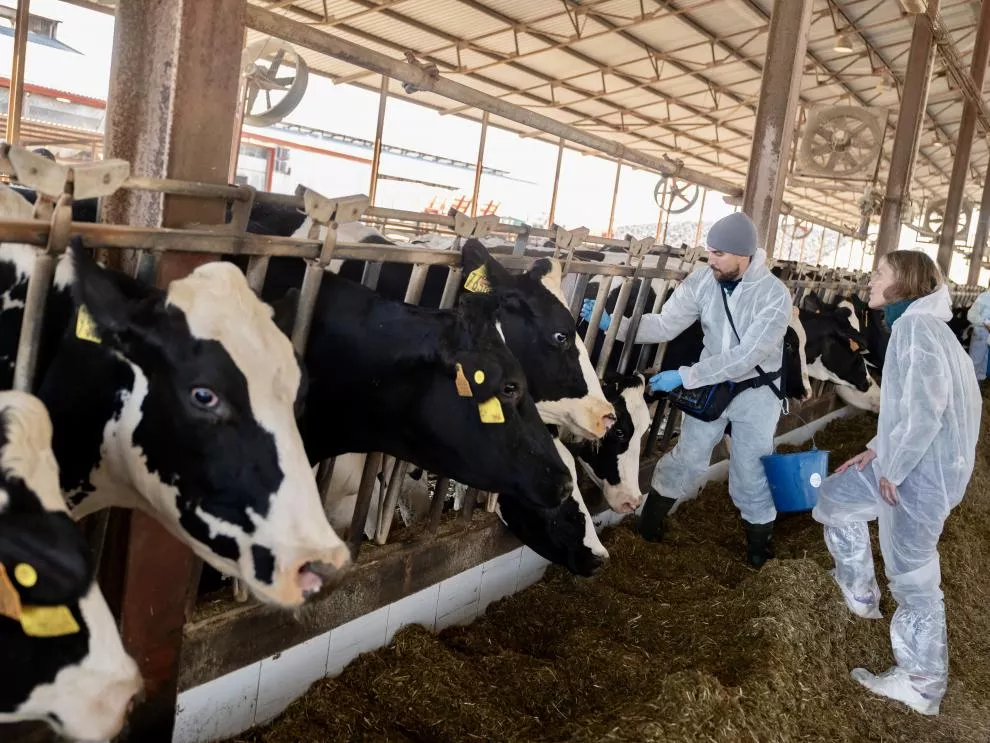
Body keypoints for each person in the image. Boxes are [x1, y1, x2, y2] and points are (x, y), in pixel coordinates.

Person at [812, 250, 981, 716]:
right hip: (915, 462)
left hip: (922, 474)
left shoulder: (918, 330)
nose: (870, 280)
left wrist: (895, 468)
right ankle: (860, 591)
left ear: (903, 282)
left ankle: (923, 683)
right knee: (836, 495)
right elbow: (908, 407)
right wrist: (878, 448)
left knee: (914, 577)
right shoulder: (920, 326)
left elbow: (927, 411)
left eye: (880, 273)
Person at [581, 211, 791, 567]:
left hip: (756, 391)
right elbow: (665, 324)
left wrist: (685, 376)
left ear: (743, 254)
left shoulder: (774, 295)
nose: (711, 260)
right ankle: (649, 530)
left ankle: (759, 553)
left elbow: (746, 356)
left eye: (718, 254)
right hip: (710, 388)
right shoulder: (703, 281)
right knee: (687, 457)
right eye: (709, 251)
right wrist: (615, 325)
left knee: (750, 470)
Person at [965, 288, 990, 381]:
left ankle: (977, 388)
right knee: (974, 364)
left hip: (987, 336)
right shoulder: (984, 297)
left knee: (983, 364)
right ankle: (968, 388)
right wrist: (986, 323)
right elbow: (971, 315)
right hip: (981, 333)